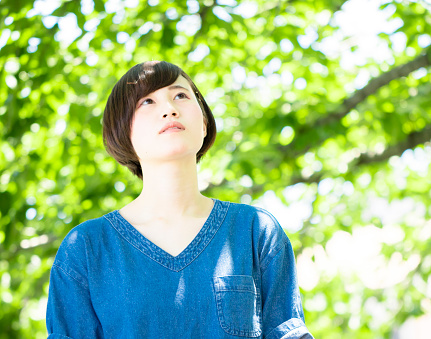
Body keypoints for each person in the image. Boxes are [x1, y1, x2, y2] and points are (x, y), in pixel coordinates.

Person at [46, 61, 313, 338]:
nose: (169, 109)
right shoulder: (86, 249)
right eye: (147, 101)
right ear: (123, 132)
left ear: (205, 123)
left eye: (181, 95)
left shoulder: (255, 231)